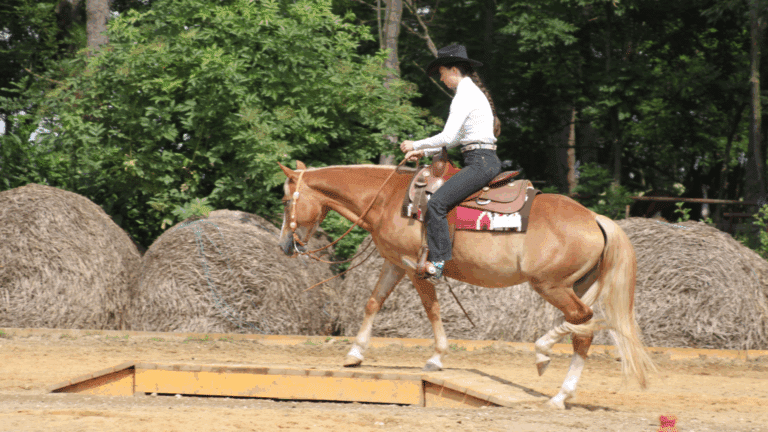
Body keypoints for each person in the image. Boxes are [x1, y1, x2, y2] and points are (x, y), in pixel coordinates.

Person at [401, 44, 502, 281]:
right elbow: (455, 139)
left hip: (480, 162)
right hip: (483, 159)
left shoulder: (465, 96)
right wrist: (424, 153)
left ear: (454, 69)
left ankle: (437, 263)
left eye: (442, 73)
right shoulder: (470, 93)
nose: (442, 78)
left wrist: (415, 144)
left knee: (436, 204)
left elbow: (447, 137)